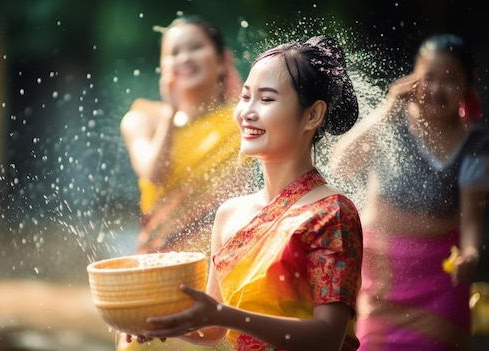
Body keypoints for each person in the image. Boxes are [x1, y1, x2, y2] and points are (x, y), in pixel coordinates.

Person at [128, 35, 364, 351]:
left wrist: (225, 316)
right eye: (245, 97)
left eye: (266, 100)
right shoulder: (230, 215)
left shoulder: (331, 213)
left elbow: (326, 338)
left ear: (313, 115)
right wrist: (163, 321)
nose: (246, 113)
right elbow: (213, 329)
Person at [330, 33, 489, 350]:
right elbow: (340, 165)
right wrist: (384, 111)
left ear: (466, 87)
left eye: (449, 80)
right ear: (413, 80)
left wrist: (470, 255)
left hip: (441, 278)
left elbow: (472, 218)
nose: (435, 89)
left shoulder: (475, 142)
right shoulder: (389, 122)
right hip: (381, 277)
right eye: (427, 78)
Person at [118, 15, 256, 351]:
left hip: (221, 288)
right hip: (153, 286)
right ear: (162, 66)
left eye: (195, 48)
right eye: (174, 53)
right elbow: (153, 171)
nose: (185, 58)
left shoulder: (244, 119)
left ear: (222, 61)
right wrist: (170, 110)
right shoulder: (143, 119)